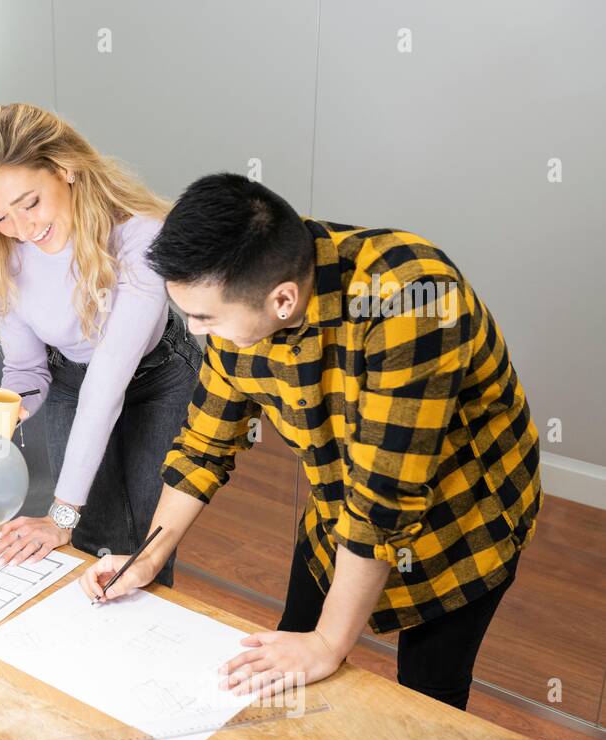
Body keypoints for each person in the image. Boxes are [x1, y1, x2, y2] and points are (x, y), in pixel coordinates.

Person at [80, 173, 541, 711]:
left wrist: (329, 643)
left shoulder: (413, 299)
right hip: (337, 502)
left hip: (465, 518)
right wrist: (146, 557)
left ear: (282, 299)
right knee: (281, 661)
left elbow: (381, 502)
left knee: (428, 693)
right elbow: (204, 445)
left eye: (204, 318)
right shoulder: (239, 305)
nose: (196, 332)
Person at [0, 103, 202, 584]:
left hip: (160, 376)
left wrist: (59, 513)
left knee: (144, 543)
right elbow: (27, 369)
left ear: (64, 169)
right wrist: (7, 408)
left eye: (30, 203)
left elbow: (108, 381)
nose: (22, 229)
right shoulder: (0, 253)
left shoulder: (139, 235)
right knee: (92, 534)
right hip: (71, 374)